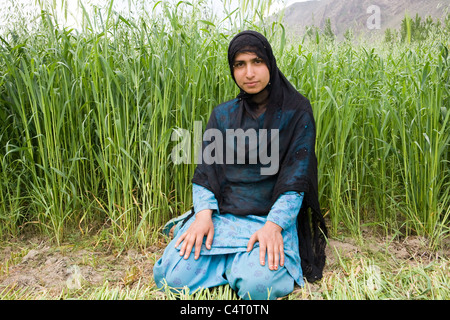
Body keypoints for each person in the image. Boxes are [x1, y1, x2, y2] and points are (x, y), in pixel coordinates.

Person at [153, 30, 327, 300]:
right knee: (171, 277)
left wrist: (273, 226)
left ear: (269, 63)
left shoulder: (296, 113)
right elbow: (205, 173)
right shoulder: (223, 115)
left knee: (258, 287)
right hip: (223, 218)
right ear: (232, 69)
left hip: (268, 219)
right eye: (240, 64)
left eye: (257, 62)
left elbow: (297, 178)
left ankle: (233, 266)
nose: (249, 73)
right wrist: (203, 216)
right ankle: (233, 262)